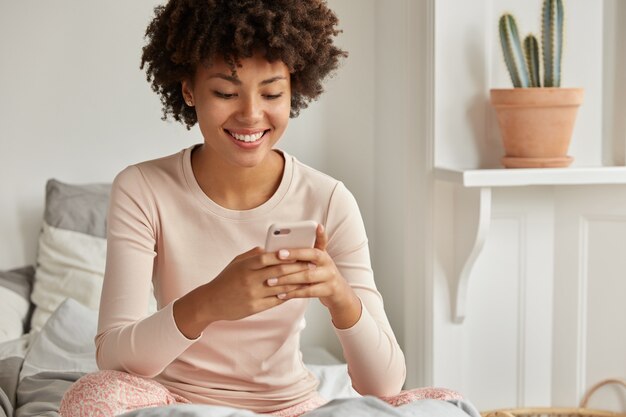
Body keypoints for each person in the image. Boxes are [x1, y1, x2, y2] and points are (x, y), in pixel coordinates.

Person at [59, 1, 461, 416]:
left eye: (271, 93)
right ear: (188, 90)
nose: (251, 115)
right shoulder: (143, 188)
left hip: (290, 407)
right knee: (91, 399)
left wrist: (338, 294)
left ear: (294, 89)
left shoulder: (328, 198)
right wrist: (211, 302)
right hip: (175, 405)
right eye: (226, 93)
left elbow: (384, 384)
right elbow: (113, 357)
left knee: (442, 407)